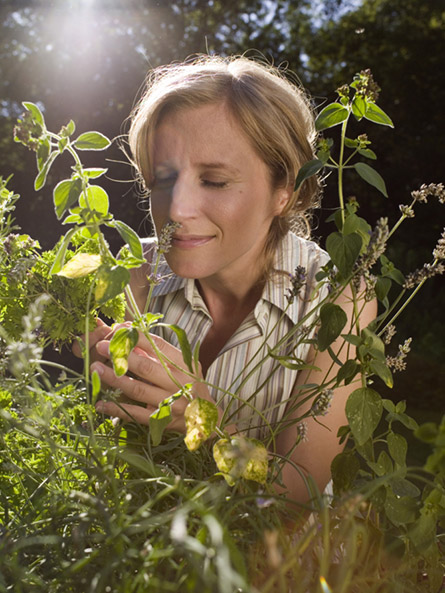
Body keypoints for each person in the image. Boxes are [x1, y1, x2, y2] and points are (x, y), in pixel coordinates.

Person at [80, 55, 376, 505]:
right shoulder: (134, 271)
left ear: (286, 191)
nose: (177, 210)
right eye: (163, 178)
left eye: (215, 181)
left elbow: (299, 491)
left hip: (274, 566)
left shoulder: (340, 299)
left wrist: (207, 421)